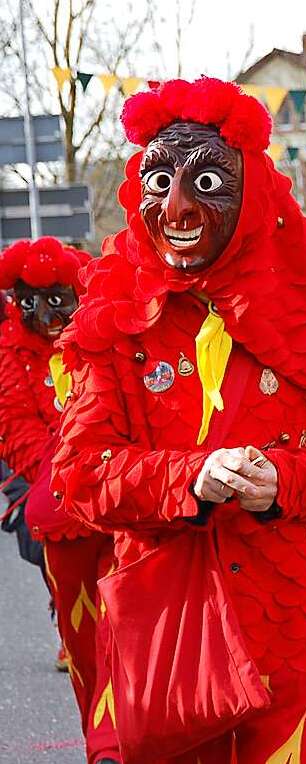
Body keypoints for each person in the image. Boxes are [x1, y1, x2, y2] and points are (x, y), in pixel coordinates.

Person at [52, 78, 306, 763]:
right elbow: (82, 474)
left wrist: (284, 482)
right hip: (164, 636)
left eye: (205, 181)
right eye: (158, 181)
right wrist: (191, 477)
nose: (176, 207)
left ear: (250, 194)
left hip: (283, 636)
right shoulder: (114, 317)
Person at [0, 238, 120, 764]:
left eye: (56, 301)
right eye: (30, 303)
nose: (44, 316)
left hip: (122, 504)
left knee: (132, 627)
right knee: (83, 638)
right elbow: (14, 423)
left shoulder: (103, 334)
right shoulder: (9, 351)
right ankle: (105, 739)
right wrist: (58, 469)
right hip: (60, 510)